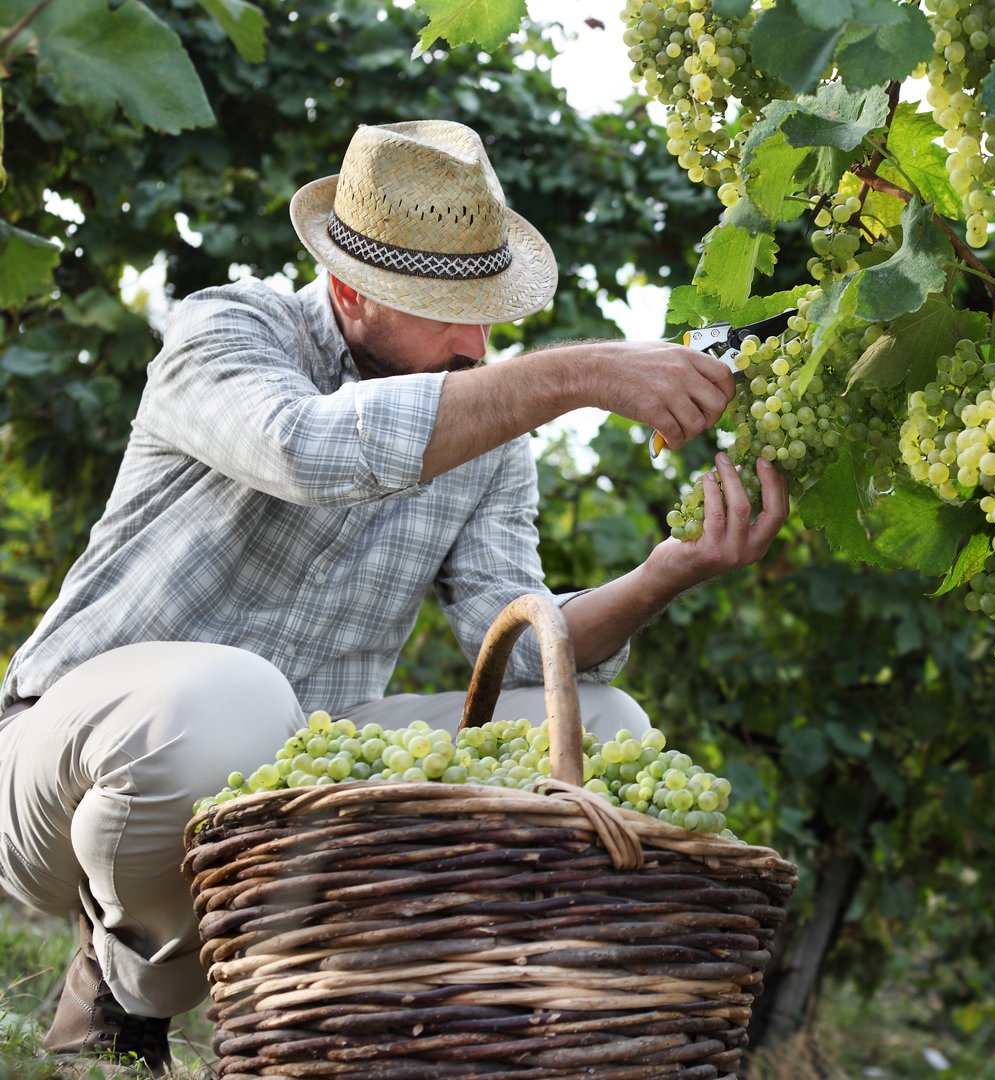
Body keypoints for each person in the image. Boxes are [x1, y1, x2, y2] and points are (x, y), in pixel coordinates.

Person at [0, 120, 788, 1071]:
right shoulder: (230, 328)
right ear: (348, 291)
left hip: (283, 793)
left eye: (487, 309)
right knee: (229, 701)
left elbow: (525, 644)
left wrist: (670, 571)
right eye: (446, 309)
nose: (476, 342)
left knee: (605, 721)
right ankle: (126, 989)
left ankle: (421, 1030)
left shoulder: (492, 439)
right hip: (72, 768)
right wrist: (584, 372)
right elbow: (310, 448)